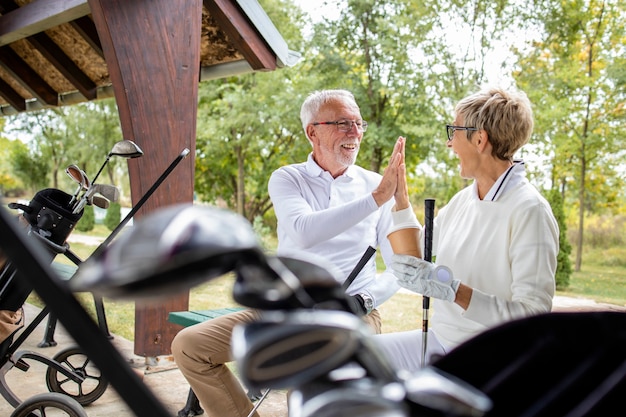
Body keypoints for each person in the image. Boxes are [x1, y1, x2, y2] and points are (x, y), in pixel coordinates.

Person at [171, 89, 406, 417]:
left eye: (358, 123)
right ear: (313, 131)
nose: (355, 132)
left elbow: (401, 267)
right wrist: (377, 198)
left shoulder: (375, 184)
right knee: (189, 346)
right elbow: (304, 231)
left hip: (354, 313)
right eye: (342, 123)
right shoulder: (288, 178)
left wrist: (363, 301)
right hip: (284, 308)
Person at [374, 86, 559, 372]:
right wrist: (400, 199)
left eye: (454, 131)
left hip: (489, 357)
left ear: (480, 139)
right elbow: (417, 256)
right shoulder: (464, 200)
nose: (450, 143)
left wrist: (455, 291)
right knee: (349, 357)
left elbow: (531, 317)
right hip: (440, 342)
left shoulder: (529, 210)